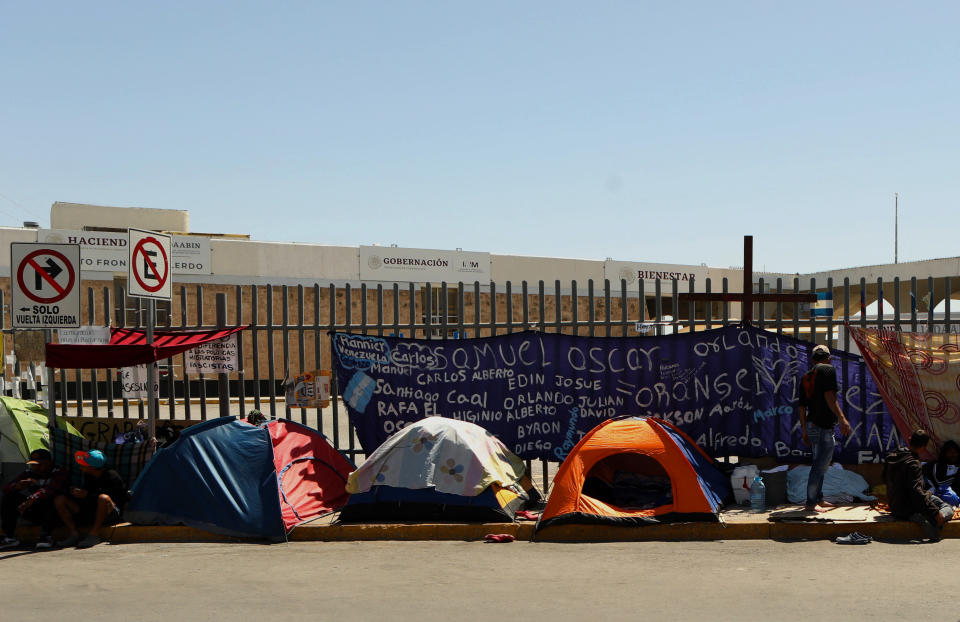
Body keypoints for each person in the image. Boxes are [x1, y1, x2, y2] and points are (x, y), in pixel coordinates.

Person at [797, 344, 852, 512]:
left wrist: (804, 431)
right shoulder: (828, 370)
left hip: (813, 426)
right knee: (820, 465)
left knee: (819, 463)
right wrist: (842, 418)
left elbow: (801, 407)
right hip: (823, 426)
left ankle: (817, 499)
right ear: (829, 358)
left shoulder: (806, 376)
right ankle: (811, 502)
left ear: (813, 359)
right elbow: (829, 396)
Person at [884, 429, 953, 541]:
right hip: (910, 507)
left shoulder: (892, 456)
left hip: (895, 506)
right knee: (947, 508)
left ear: (910, 440)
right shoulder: (913, 463)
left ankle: (925, 518)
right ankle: (934, 520)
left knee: (930, 497)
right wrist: (935, 513)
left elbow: (885, 480)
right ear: (924, 447)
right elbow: (916, 492)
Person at [53, 449, 130, 549]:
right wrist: (77, 492)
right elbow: (87, 494)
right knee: (60, 499)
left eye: (83, 465)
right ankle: (74, 534)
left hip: (110, 513)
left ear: (92, 467)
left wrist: (87, 495)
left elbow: (114, 499)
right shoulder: (88, 475)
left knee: (103, 498)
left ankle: (94, 535)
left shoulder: (112, 476)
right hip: (90, 510)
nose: (80, 467)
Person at [0, 449, 67, 550]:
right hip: (35, 511)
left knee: (48, 498)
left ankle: (46, 535)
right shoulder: (29, 473)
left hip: (55, 513)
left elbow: (51, 489)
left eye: (39, 464)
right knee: (10, 496)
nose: (35, 467)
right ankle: (9, 537)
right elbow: (6, 488)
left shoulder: (59, 472)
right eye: (33, 464)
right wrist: (16, 486)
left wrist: (34, 497)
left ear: (49, 463)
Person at [922, 439, 960, 507]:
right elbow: (941, 483)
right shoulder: (938, 466)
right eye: (951, 452)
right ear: (945, 453)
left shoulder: (957, 465)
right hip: (936, 492)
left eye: (956, 452)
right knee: (951, 496)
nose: (954, 454)